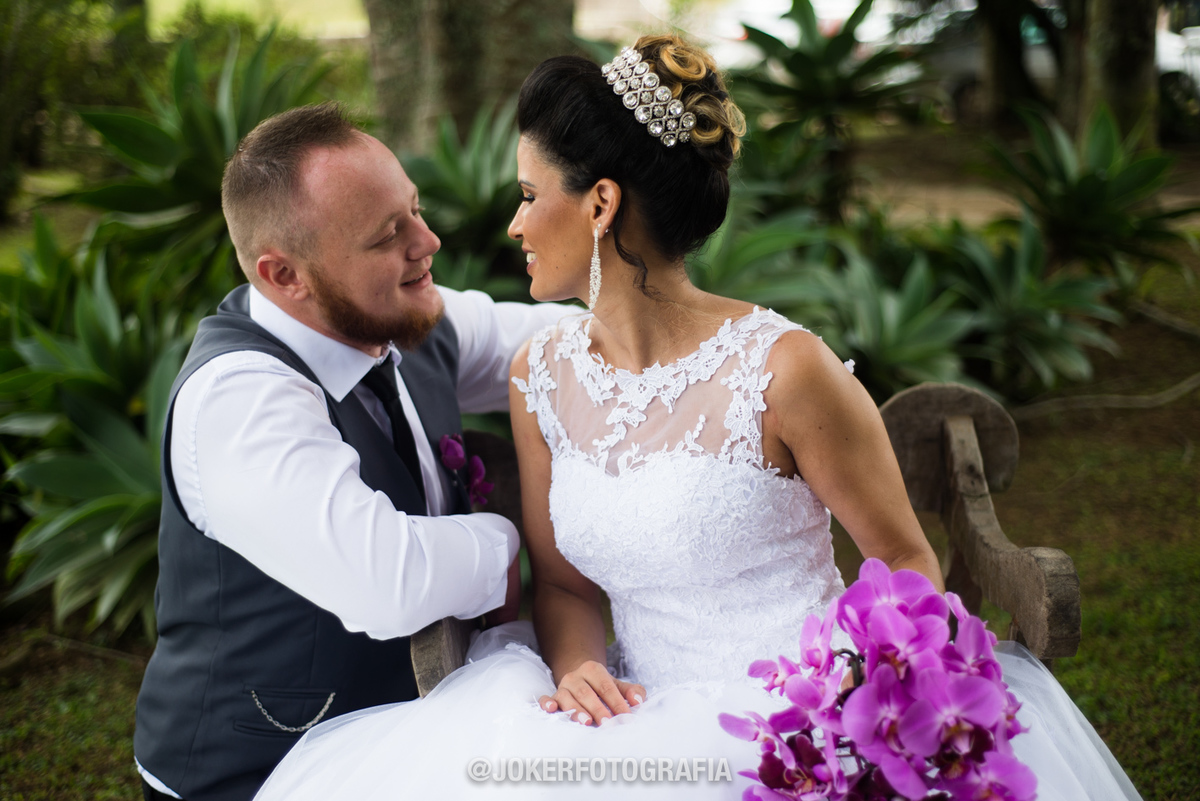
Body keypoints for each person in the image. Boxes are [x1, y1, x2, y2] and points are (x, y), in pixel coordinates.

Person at [252, 37, 1142, 801]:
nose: (514, 223)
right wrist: (578, 670)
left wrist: (846, 704)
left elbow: (904, 558)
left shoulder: (787, 370)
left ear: (600, 204)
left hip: (793, 722)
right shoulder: (540, 374)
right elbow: (563, 586)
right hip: (626, 720)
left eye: (530, 195)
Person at [132, 103, 570, 801]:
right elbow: (387, 583)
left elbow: (572, 347)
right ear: (284, 277)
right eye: (386, 235)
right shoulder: (237, 401)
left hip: (415, 731)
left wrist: (739, 350)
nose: (426, 242)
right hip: (257, 769)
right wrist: (504, 541)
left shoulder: (399, 310)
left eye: (416, 210)